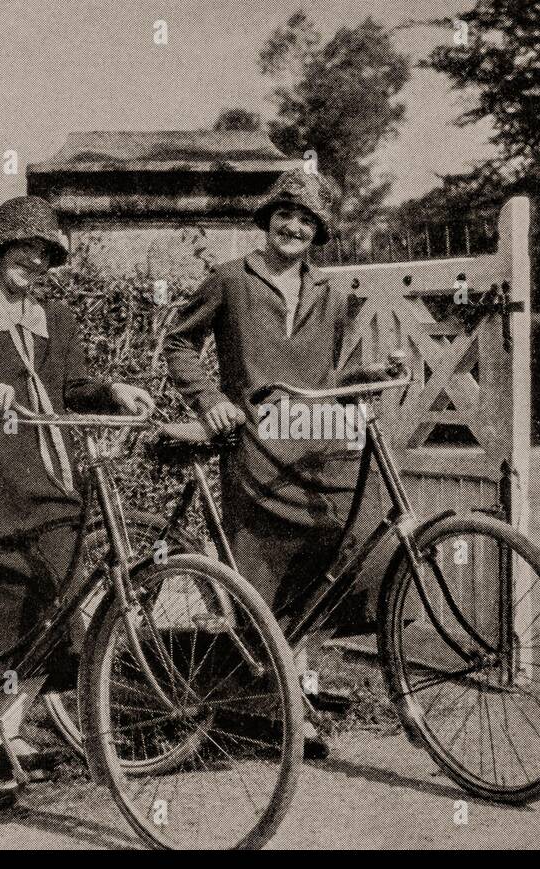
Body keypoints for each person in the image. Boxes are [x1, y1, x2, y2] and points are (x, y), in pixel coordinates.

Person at [0, 195, 153, 781]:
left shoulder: (56, 319)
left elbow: (73, 388)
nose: (34, 262)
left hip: (46, 476)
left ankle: (6, 722)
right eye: (24, 249)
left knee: (67, 586)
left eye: (44, 254)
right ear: (0, 249)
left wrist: (111, 391)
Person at [163, 169, 362, 759]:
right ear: (267, 219)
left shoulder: (329, 295)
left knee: (310, 577)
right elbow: (177, 341)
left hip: (316, 447)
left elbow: (330, 374)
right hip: (253, 449)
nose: (294, 226)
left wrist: (368, 378)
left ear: (317, 232)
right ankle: (275, 713)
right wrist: (210, 398)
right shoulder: (230, 280)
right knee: (259, 580)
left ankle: (278, 702)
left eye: (306, 219)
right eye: (285, 214)